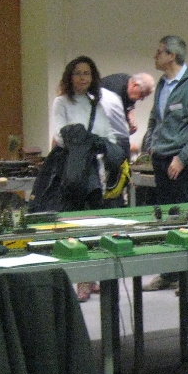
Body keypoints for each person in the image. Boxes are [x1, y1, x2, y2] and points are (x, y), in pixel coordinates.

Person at [142, 36, 188, 293]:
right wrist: (150, 144)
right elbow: (155, 119)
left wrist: (182, 159)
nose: (155, 56)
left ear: (172, 55)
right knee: (168, 220)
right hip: (162, 160)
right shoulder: (162, 84)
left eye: (159, 51)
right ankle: (170, 273)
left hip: (184, 163)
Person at [50, 56, 118, 302]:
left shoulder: (95, 105)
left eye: (87, 73)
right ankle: (82, 279)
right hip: (73, 172)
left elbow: (108, 136)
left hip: (95, 172)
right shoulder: (61, 102)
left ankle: (92, 277)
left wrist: (99, 145)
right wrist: (87, 142)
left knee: (94, 223)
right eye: (78, 73)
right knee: (76, 224)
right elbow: (61, 136)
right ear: (70, 76)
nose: (82, 78)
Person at [100, 72, 155, 143]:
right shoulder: (115, 90)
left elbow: (129, 106)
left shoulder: (130, 85)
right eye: (142, 94)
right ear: (135, 85)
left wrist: (130, 120)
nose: (141, 99)